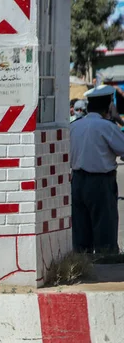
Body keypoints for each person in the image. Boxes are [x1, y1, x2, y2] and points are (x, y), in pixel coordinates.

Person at [70, 85, 124, 254]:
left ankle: (82, 263)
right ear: (109, 107)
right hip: (101, 182)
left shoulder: (75, 126)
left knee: (80, 228)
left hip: (77, 181)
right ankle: (106, 263)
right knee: (104, 229)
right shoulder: (107, 126)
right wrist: (119, 120)